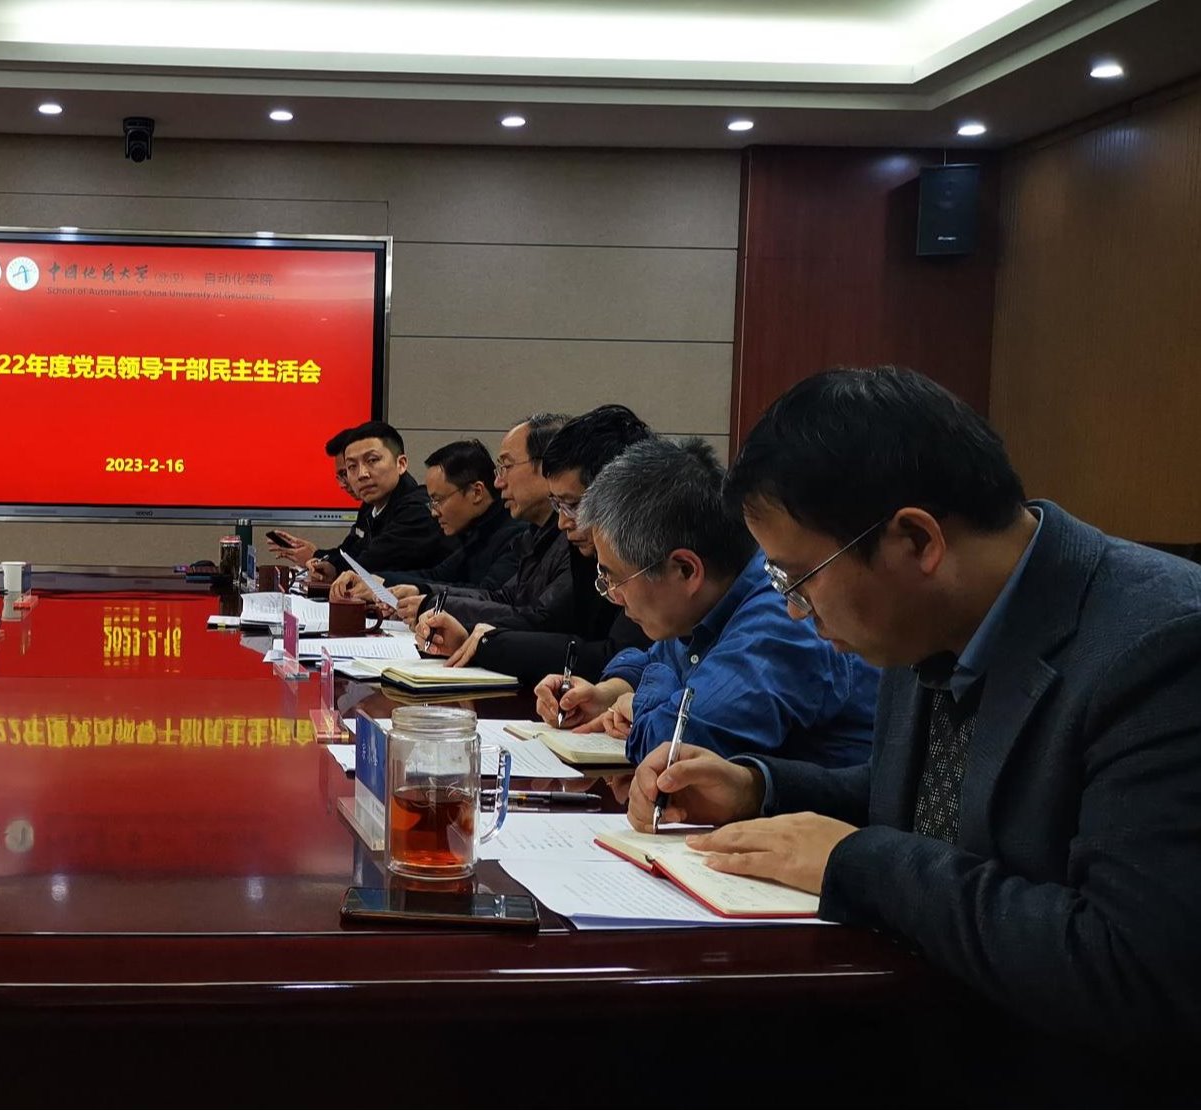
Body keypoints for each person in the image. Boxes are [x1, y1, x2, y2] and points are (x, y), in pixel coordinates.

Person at [626, 367, 1201, 1045]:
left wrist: (860, 863)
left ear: (917, 541)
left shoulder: (1162, 645)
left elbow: (1131, 969)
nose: (794, 608)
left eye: (799, 577)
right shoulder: (922, 615)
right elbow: (930, 799)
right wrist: (757, 788)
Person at [536, 437, 876, 767]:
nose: (612, 595)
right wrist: (609, 693)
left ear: (686, 570)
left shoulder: (780, 621)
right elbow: (656, 660)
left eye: (615, 579)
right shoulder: (710, 598)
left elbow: (675, 743)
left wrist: (640, 703)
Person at [418, 405, 653, 680]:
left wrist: (489, 643)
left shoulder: (651, 554)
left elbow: (611, 655)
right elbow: (577, 636)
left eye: (572, 504)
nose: (563, 522)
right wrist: (469, 637)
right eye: (559, 505)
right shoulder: (556, 538)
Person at [394, 413, 570, 632]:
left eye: (506, 467)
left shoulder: (573, 538)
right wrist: (426, 595)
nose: (498, 482)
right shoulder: (535, 534)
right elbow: (504, 597)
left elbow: (539, 620)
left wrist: (433, 604)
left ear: (549, 467)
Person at [330, 439, 525, 601]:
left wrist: (420, 592)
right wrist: (376, 581)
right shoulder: (475, 530)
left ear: (476, 492)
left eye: (438, 500)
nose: (433, 512)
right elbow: (437, 575)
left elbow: (488, 595)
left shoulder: (517, 534)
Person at [303, 421, 454, 581]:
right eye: (352, 467)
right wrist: (330, 568)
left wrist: (330, 564)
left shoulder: (418, 509)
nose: (362, 474)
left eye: (372, 460)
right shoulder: (370, 507)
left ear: (401, 464)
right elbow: (350, 553)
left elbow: (367, 567)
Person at [266, 425, 357, 568]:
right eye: (340, 476)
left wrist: (315, 556)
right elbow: (347, 555)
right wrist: (315, 554)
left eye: (345, 473)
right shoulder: (369, 509)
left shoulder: (395, 512)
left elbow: (365, 564)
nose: (342, 485)